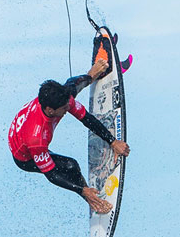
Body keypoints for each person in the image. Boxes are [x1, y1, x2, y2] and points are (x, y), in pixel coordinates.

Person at [7, 56, 130, 213]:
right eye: (64, 108)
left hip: (25, 131)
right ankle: (91, 198)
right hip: (24, 156)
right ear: (50, 110)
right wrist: (81, 190)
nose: (68, 109)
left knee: (72, 86)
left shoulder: (61, 100)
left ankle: (91, 74)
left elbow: (86, 118)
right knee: (70, 166)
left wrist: (113, 142)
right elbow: (51, 174)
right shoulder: (36, 139)